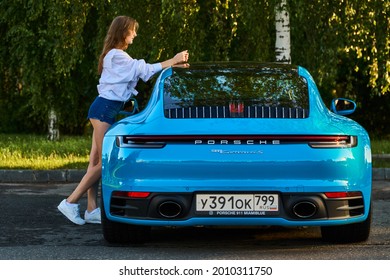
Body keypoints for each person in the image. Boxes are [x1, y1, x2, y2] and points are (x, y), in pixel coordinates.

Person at [57, 15, 189, 225]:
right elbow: (144, 70)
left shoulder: (114, 55)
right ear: (123, 32)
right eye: (132, 31)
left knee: (96, 162)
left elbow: (136, 76)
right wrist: (173, 60)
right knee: (106, 163)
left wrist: (172, 66)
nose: (135, 34)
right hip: (104, 111)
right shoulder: (117, 56)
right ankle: (70, 202)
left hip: (102, 109)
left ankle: (91, 209)